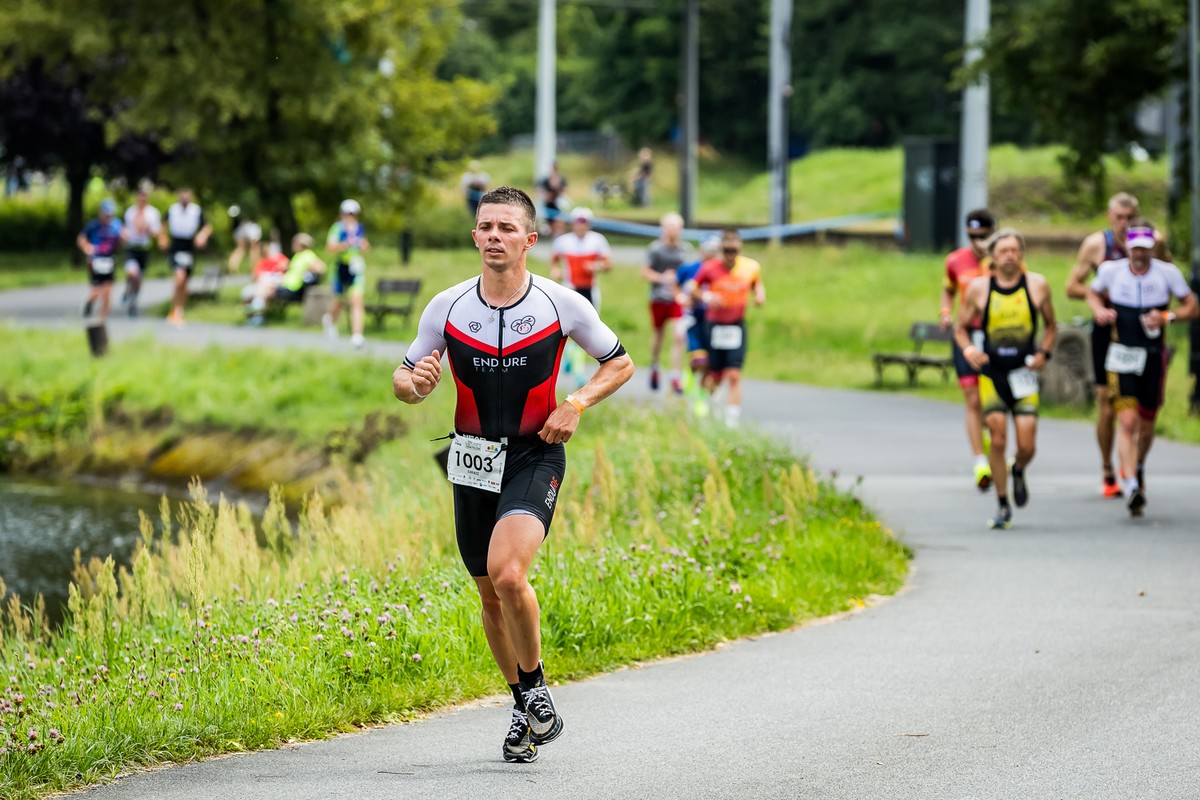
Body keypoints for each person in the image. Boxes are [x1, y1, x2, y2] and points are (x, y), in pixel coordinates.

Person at [392, 186, 633, 764]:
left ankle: (536, 685)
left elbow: (620, 364)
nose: (494, 236)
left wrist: (575, 403)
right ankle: (524, 705)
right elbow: (403, 377)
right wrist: (416, 385)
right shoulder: (447, 306)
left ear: (529, 239)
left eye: (506, 227)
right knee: (489, 593)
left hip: (535, 453)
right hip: (471, 458)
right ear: (474, 235)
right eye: (486, 226)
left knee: (507, 573)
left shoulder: (561, 304)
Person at [1085, 221, 1197, 517]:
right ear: (1127, 247)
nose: (1140, 254)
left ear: (1152, 249)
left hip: (1153, 355)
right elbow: (1092, 293)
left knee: (1146, 426)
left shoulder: (1167, 273)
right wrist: (1099, 311)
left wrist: (1166, 317)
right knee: (1127, 422)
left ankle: (1139, 465)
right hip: (1121, 355)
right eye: (1135, 249)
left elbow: (1192, 306)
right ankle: (1132, 484)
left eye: (1145, 249)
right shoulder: (1111, 270)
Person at [955, 229, 1058, 530]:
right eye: (1003, 251)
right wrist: (969, 350)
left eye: (1014, 250)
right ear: (993, 257)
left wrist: (1044, 353)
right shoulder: (979, 288)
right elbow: (960, 328)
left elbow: (1052, 326)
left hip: (1024, 373)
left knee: (1027, 445)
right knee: (998, 439)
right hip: (993, 372)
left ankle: (1018, 469)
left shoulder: (1037, 285)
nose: (1010, 256)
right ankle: (1002, 504)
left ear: (1021, 254)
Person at [1064, 192, 1139, 498]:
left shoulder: (1150, 244)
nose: (1125, 224)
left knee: (1135, 405)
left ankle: (1132, 467)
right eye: (1119, 218)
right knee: (1107, 404)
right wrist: (1098, 297)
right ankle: (1108, 468)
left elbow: (1166, 276)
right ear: (1110, 217)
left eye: (1130, 218)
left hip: (1138, 331)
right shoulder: (1097, 245)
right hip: (1107, 330)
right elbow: (1072, 287)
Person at [939, 208, 996, 491]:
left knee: (992, 402)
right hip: (966, 335)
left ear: (992, 233)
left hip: (995, 334)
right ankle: (980, 462)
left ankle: (993, 443)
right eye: (972, 236)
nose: (978, 242)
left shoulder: (1002, 259)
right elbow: (948, 289)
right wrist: (945, 312)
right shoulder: (955, 260)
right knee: (972, 399)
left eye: (983, 236)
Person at [687, 228, 765, 428]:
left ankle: (732, 420)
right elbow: (693, 288)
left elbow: (757, 283)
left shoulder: (750, 267)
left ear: (740, 249)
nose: (730, 255)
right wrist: (707, 296)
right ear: (721, 249)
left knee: (734, 373)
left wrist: (759, 295)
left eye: (734, 251)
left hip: (736, 326)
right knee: (714, 372)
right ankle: (704, 403)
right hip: (714, 326)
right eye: (727, 251)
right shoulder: (709, 268)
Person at [550, 207, 611, 388]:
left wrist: (596, 266)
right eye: (578, 223)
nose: (581, 227)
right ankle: (578, 371)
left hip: (590, 290)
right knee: (569, 325)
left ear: (589, 224)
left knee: (588, 327)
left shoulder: (597, 240)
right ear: (573, 224)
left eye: (584, 223)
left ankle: (573, 360)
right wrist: (556, 270)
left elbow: (608, 264)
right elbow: (554, 260)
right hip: (571, 288)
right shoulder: (563, 241)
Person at [641, 212, 692, 394]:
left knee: (679, 335)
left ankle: (675, 376)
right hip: (658, 298)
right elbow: (645, 272)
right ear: (663, 229)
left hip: (677, 299)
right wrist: (662, 278)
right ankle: (654, 365)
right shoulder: (656, 249)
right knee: (658, 335)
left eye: (676, 228)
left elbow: (690, 273)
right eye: (670, 227)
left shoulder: (685, 249)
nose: (673, 231)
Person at [676, 236, 721, 416]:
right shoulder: (690, 269)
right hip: (693, 318)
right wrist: (680, 298)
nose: (710, 254)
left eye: (714, 251)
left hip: (713, 320)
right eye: (708, 250)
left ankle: (701, 396)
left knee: (709, 362)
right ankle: (690, 375)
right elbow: (677, 285)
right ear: (701, 250)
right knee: (699, 359)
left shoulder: (720, 271)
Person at [323, 199, 371, 348]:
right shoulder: (337, 228)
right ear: (342, 214)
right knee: (340, 301)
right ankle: (329, 319)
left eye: (353, 214)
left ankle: (357, 335)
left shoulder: (359, 228)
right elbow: (330, 247)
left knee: (356, 299)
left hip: (355, 268)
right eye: (347, 213)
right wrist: (345, 245)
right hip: (340, 268)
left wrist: (363, 245)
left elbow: (365, 246)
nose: (350, 216)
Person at [163, 187, 213, 327]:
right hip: (176, 246)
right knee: (179, 277)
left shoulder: (196, 211)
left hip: (189, 248)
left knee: (185, 282)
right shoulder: (172, 210)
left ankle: (179, 310)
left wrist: (202, 235)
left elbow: (207, 226)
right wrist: (163, 238)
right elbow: (162, 223)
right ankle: (175, 309)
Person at [77, 198, 123, 324]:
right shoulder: (93, 225)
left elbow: (121, 242)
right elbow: (81, 239)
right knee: (96, 292)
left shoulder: (116, 225)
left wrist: (123, 239)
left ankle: (102, 320)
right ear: (101, 213)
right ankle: (89, 303)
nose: (108, 217)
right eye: (106, 214)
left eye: (110, 214)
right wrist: (87, 247)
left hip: (109, 260)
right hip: (96, 260)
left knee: (108, 292)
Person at [120, 186, 162, 318]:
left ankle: (133, 300)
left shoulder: (153, 213)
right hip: (132, 247)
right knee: (132, 272)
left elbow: (157, 232)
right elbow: (125, 228)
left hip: (143, 248)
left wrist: (150, 230)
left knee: (139, 277)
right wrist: (123, 235)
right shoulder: (130, 212)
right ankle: (127, 289)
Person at [538, 162, 568, 235]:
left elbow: (565, 190)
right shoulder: (546, 179)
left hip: (557, 204)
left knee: (558, 221)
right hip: (548, 205)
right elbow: (540, 190)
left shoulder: (560, 179)